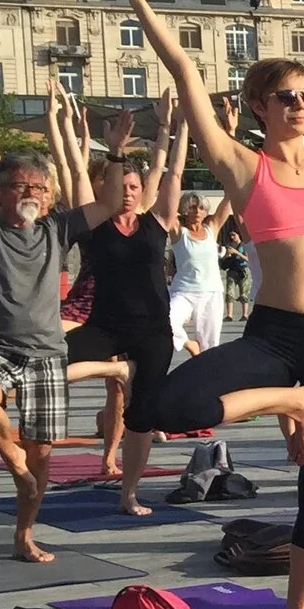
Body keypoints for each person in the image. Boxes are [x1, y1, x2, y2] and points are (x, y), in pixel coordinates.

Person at [107, 0, 304, 609]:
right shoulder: (242, 166)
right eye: (286, 96)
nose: (301, 105)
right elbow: (185, 72)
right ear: (260, 106)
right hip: (276, 336)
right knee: (164, 406)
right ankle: (291, 402)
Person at [0, 138, 93, 565]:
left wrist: (111, 152)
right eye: (20, 185)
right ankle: (11, 456)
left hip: (47, 354)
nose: (31, 193)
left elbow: (105, 204)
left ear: (49, 195)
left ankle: (24, 535)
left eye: (39, 187)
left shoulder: (56, 229)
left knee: (40, 455)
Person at [62, 93, 188, 510]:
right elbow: (79, 170)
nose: (130, 193)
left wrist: (173, 126)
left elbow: (171, 171)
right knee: (50, 362)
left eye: (135, 187)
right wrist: (112, 149)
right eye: (123, 186)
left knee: (141, 415)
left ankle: (129, 493)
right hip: (105, 327)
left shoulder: (158, 222)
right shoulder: (93, 224)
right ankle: (116, 368)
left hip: (152, 331)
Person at [168, 194, 231, 357]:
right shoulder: (178, 231)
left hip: (211, 292)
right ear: (184, 210)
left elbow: (228, 201)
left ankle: (207, 371)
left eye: (201, 208)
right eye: (192, 207)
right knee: (166, 321)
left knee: (210, 347)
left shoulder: (212, 228)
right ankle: (190, 345)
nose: (197, 211)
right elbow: (167, 206)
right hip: (183, 291)